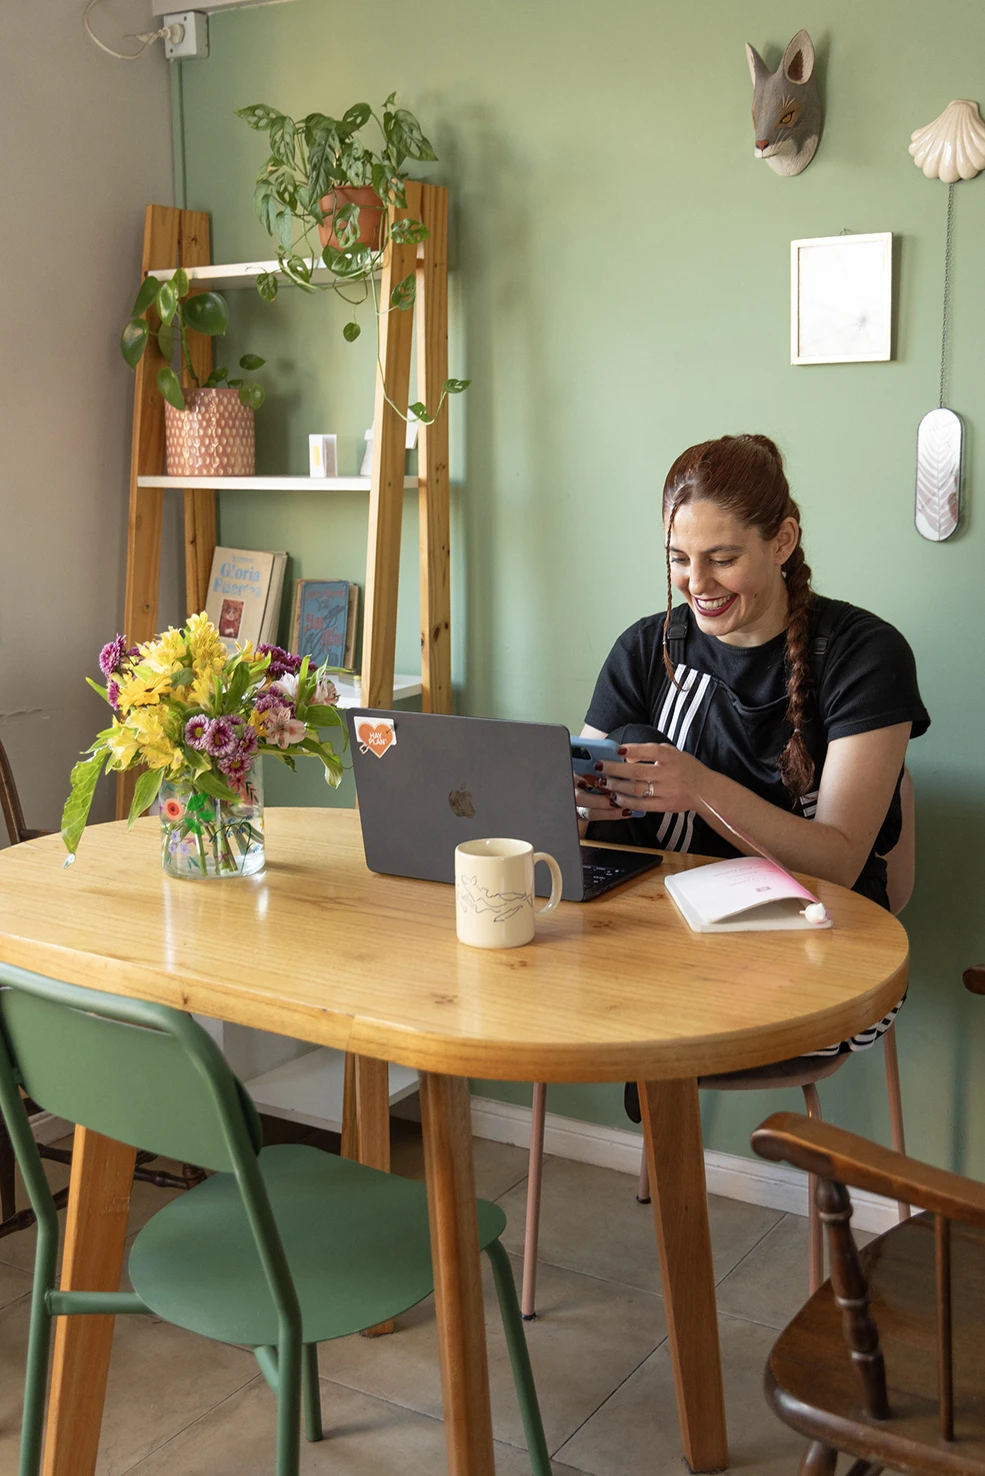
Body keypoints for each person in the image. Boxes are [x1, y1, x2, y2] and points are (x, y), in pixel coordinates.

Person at [574, 434, 929, 1110]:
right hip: (659, 942)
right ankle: (653, 1051)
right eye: (678, 559)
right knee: (627, 742)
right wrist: (580, 800)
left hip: (820, 946)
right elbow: (580, 786)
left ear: (782, 540)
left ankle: (656, 1054)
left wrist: (699, 788)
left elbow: (841, 862)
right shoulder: (646, 646)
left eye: (722, 559)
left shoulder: (864, 656)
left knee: (634, 1030)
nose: (696, 584)